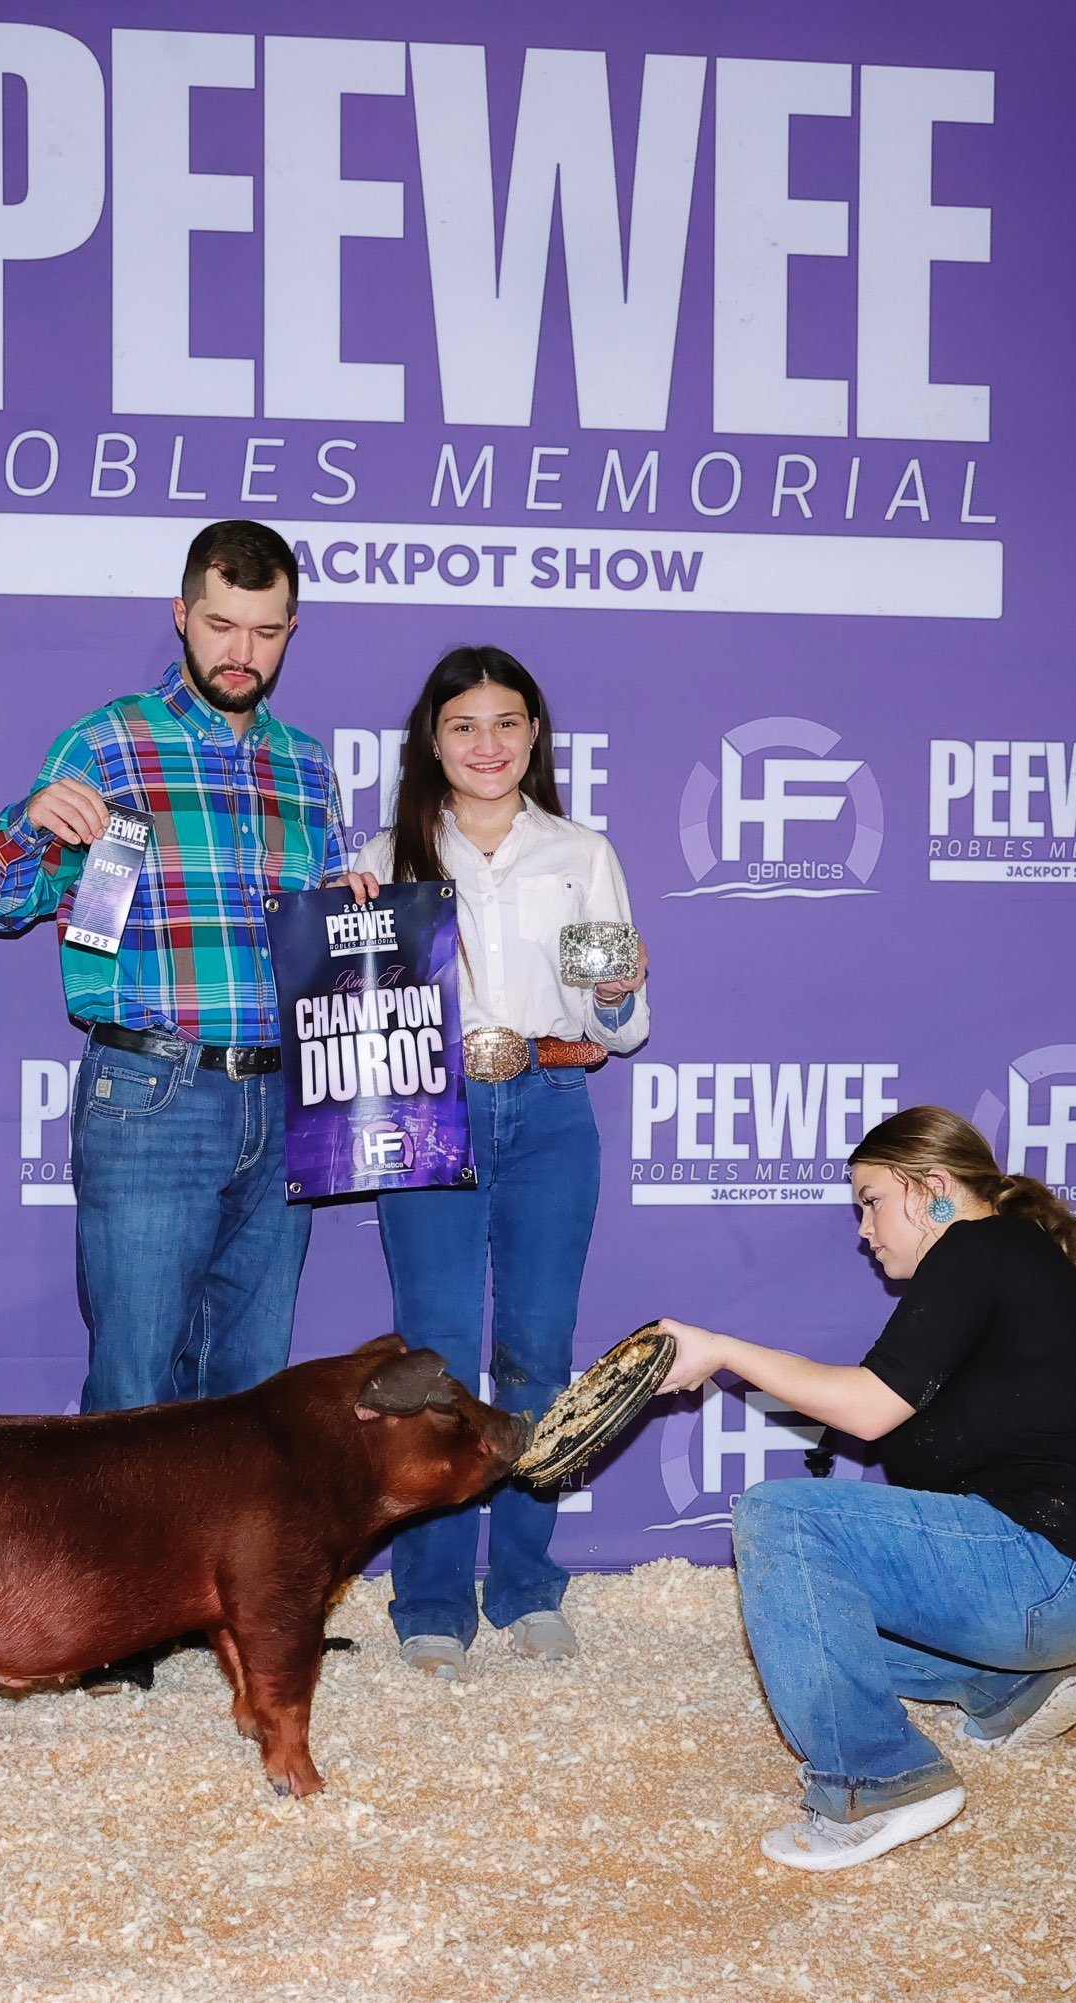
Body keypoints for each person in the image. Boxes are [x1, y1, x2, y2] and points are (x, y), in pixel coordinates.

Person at [655, 1104, 1076, 1871]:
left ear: (932, 1187)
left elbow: (865, 1405)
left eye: (870, 1200)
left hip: (1041, 1572)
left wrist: (724, 1348)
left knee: (780, 1517)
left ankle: (876, 1779)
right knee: (803, 1622)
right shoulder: (1012, 1262)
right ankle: (1005, 1689)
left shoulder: (975, 1247)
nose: (863, 1229)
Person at [0, 518, 344, 1426]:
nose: (240, 650)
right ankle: (118, 1579)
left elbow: (326, 933)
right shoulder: (104, 744)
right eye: (220, 624)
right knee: (134, 1397)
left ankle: (221, 1579)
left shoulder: (309, 767)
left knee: (254, 1406)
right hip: (152, 1089)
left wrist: (356, 903)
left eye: (264, 629)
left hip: (285, 1093)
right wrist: (28, 821)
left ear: (292, 629)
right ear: (181, 616)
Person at [339, 645, 649, 1680]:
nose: (487, 743)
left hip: (552, 1102)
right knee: (429, 1357)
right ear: (431, 739)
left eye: (508, 723)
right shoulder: (381, 854)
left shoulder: (578, 850)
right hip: (429, 1110)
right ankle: (428, 1595)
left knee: (535, 1350)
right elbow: (350, 1011)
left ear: (534, 736)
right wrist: (349, 926)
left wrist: (613, 994)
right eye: (464, 725)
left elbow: (622, 1021)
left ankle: (522, 1579)